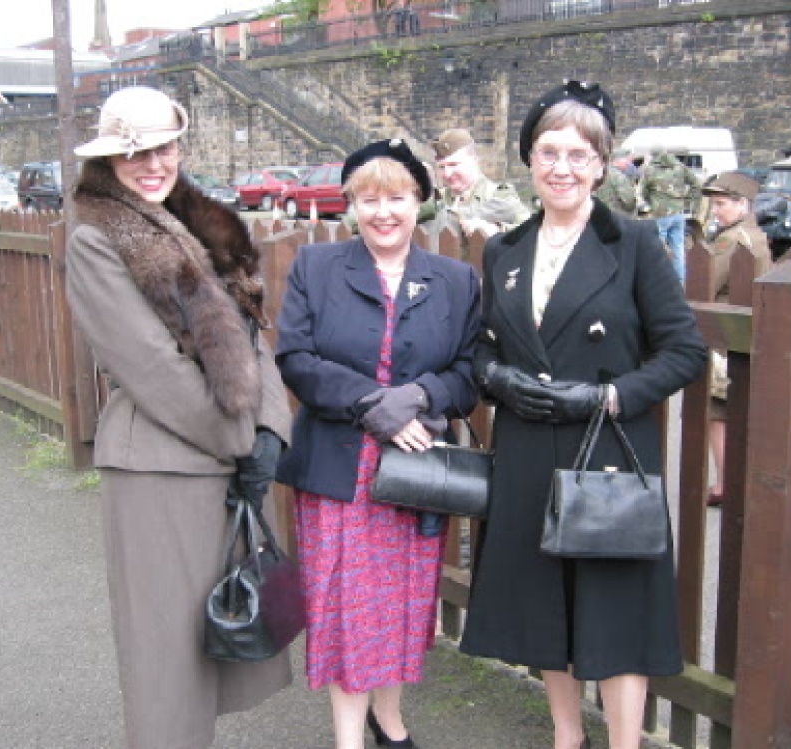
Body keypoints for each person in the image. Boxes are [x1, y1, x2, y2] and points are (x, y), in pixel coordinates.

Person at [459, 81, 707, 749]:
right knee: (544, 606)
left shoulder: (634, 243)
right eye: (548, 152)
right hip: (528, 447)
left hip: (609, 452)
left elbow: (684, 352)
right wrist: (497, 378)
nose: (561, 168)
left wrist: (606, 396)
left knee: (615, 611)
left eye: (578, 154)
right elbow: (482, 346)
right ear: (529, 159)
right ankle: (567, 736)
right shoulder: (506, 249)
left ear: (601, 163)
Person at [65, 86, 293, 749]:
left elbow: (251, 334)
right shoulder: (95, 237)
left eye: (163, 148)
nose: (153, 164)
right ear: (109, 159)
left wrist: (271, 431)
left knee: (217, 648)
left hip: (225, 463)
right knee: (166, 668)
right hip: (161, 473)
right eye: (134, 152)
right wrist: (244, 444)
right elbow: (150, 366)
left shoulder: (194, 219)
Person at [275, 138, 480, 749]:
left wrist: (418, 396)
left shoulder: (454, 280)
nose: (383, 212)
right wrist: (374, 405)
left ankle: (389, 721)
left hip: (415, 472)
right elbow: (296, 358)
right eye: (369, 200)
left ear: (420, 201)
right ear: (351, 205)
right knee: (345, 607)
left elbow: (470, 373)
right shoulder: (316, 268)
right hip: (339, 470)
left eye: (397, 198)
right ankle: (348, 738)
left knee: (402, 603)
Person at [699, 171, 771, 507]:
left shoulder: (731, 240)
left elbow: (706, 282)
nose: (715, 211)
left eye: (721, 204)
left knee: (718, 413)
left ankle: (725, 482)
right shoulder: (755, 234)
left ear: (743, 204)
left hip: (726, 337)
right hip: (746, 335)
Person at [431, 127, 532, 246]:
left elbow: (531, 232)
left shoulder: (500, 195)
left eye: (453, 165)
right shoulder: (436, 198)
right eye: (441, 167)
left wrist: (499, 231)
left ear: (474, 160)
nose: (447, 174)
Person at [639, 147, 701, 283]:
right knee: (678, 250)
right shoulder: (679, 167)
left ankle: (658, 282)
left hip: (660, 214)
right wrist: (688, 200)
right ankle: (680, 283)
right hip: (678, 213)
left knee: (658, 249)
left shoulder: (650, 170)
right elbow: (696, 184)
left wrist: (652, 202)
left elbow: (643, 191)